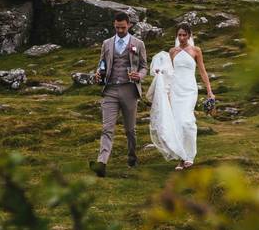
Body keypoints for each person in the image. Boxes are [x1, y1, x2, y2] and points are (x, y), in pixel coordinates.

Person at [146, 22, 214, 170]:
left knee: (187, 122)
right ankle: (182, 158)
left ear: (189, 35)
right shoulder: (172, 51)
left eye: (184, 35)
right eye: (179, 35)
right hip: (176, 90)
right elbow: (169, 71)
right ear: (177, 36)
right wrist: (161, 74)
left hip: (189, 89)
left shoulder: (196, 50)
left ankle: (190, 156)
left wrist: (209, 90)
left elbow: (202, 71)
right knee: (177, 123)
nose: (182, 37)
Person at [89, 12, 148, 177]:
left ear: (129, 25)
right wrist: (97, 74)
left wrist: (140, 76)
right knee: (107, 128)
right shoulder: (106, 43)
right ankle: (102, 163)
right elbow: (101, 64)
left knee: (130, 130)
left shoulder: (138, 43)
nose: (120, 30)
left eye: (122, 27)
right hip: (110, 90)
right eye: (117, 27)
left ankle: (132, 156)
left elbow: (144, 66)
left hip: (130, 90)